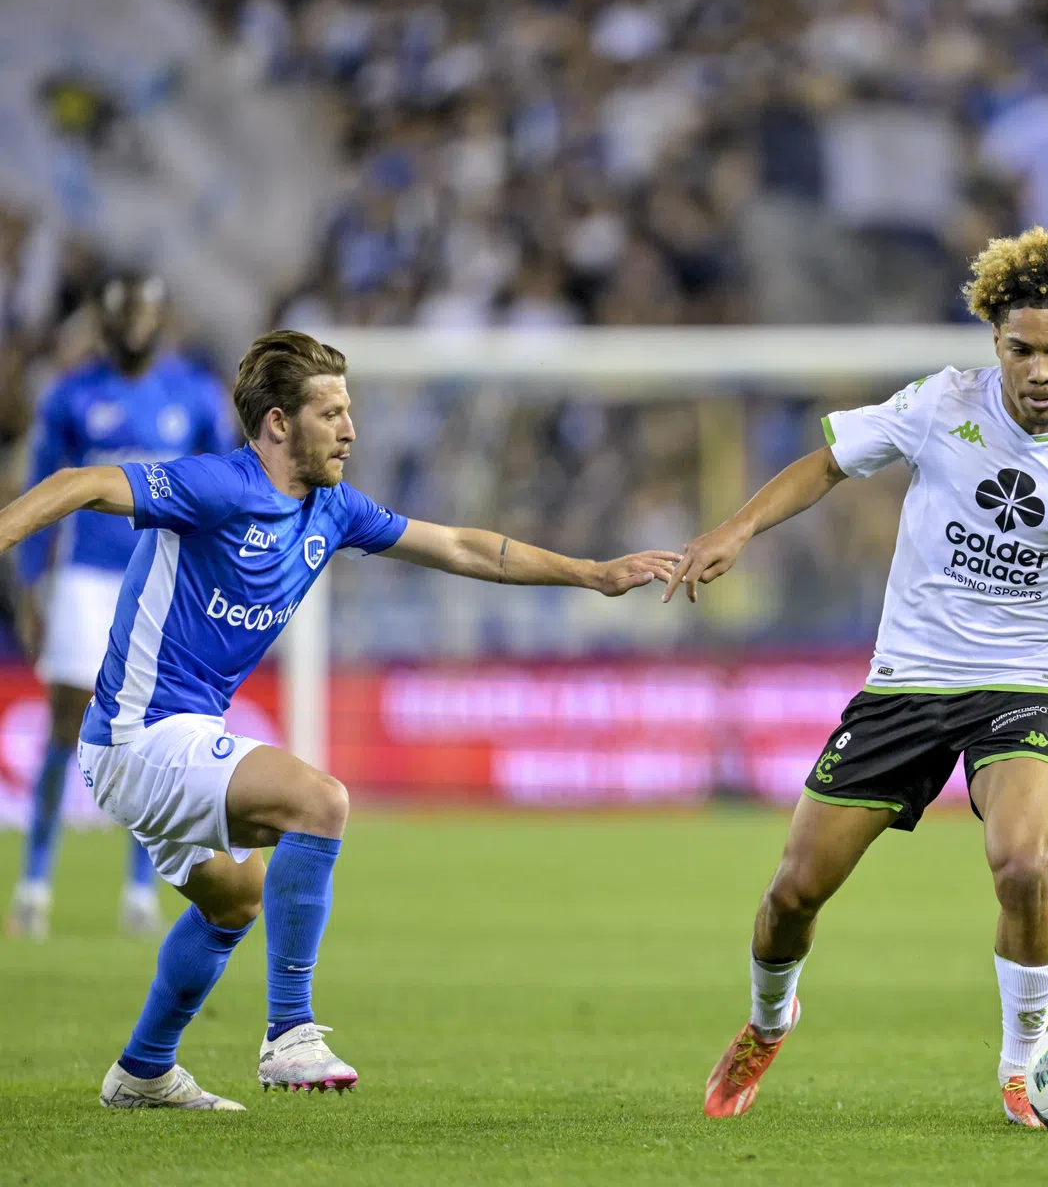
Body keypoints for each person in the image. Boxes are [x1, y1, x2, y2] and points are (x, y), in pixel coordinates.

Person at [0, 330, 677, 1110]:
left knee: (236, 902)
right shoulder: (217, 486)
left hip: (165, 741)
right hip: (139, 734)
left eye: (349, 410)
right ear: (279, 424)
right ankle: (291, 1032)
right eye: (331, 413)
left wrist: (591, 574)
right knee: (319, 802)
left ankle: (144, 1069)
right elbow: (81, 482)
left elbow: (460, 545)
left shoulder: (334, 510)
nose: (350, 428)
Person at [666, 226, 1048, 1126]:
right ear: (994, 344)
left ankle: (1022, 1066)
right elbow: (826, 464)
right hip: (906, 684)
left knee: (1024, 862)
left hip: (1023, 687)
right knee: (793, 893)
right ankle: (770, 1022)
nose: (1039, 371)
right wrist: (736, 530)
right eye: (1019, 350)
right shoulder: (942, 405)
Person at [7, 272, 234, 941]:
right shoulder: (72, 396)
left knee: (155, 737)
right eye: (121, 314)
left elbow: (224, 491)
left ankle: (141, 889)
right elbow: (40, 492)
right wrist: (30, 584)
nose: (133, 325)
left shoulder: (194, 396)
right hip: (85, 579)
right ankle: (35, 881)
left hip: (163, 584)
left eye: (144, 314)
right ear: (104, 323)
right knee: (64, 729)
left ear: (161, 321)